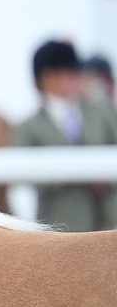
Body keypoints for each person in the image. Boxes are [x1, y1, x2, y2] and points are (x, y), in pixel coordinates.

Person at [12, 40, 117, 231]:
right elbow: (30, 176)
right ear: (47, 77)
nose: (76, 78)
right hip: (62, 226)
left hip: (108, 223)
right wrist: (84, 173)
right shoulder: (28, 127)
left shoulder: (99, 112)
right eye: (69, 73)